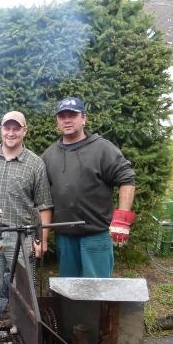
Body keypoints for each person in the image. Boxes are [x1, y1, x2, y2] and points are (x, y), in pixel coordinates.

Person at [0, 111, 53, 316]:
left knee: (24, 294)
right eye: (7, 128)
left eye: (16, 128)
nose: (11, 133)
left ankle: (22, 330)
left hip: (22, 237)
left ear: (25, 131)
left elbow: (44, 206)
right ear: (1, 130)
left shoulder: (35, 164)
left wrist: (43, 240)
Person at [42, 97, 136, 278]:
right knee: (69, 289)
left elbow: (127, 179)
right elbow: (42, 197)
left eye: (72, 115)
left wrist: (122, 219)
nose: (67, 120)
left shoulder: (102, 149)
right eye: (62, 116)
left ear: (84, 118)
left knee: (98, 289)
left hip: (96, 236)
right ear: (57, 121)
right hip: (64, 238)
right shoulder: (49, 154)